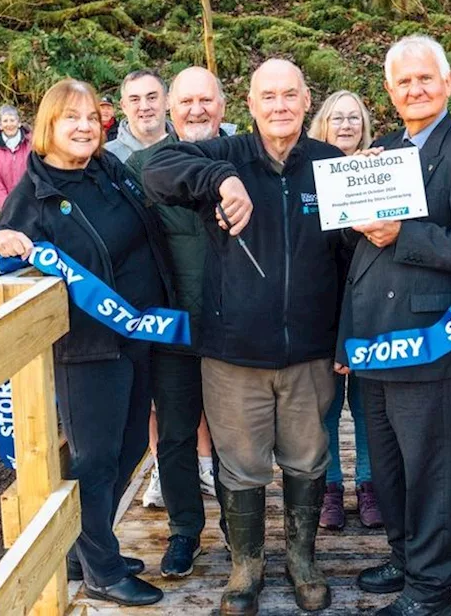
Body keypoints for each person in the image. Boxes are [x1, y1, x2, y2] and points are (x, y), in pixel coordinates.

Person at [142, 59, 347, 615]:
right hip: (233, 352)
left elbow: (356, 258)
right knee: (240, 463)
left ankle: (302, 559)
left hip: (310, 351)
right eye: (268, 96)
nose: (280, 106)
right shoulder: (223, 155)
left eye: (290, 95)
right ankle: (246, 565)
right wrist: (220, 179)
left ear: (307, 102)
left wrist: (348, 336)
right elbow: (157, 170)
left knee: (308, 458)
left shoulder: (331, 166)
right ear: (250, 106)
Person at [0, 79, 175, 608]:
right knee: (95, 459)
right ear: (47, 127)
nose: (85, 125)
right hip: (88, 348)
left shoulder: (108, 170)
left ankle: (82, 545)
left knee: (133, 447)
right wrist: (0, 239)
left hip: (137, 334)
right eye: (72, 118)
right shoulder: (37, 191)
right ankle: (101, 572)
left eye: (92, 116)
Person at [339, 35, 451, 616]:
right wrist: (346, 339)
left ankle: (431, 589)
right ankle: (406, 557)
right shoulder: (382, 149)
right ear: (389, 90)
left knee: (430, 469)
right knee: (386, 464)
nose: (414, 89)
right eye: (403, 81)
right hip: (374, 337)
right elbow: (358, 257)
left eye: (424, 79)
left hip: (430, 338)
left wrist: (404, 234)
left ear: (448, 83)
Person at [128, 66, 227, 514]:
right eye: (186, 102)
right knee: (174, 433)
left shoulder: (247, 159)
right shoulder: (140, 168)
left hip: (236, 327)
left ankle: (239, 533)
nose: (196, 110)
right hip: (172, 326)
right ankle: (184, 529)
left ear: (223, 105)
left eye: (205, 100)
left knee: (236, 437)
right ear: (172, 110)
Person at [307, 90, 382, 531]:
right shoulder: (309, 175)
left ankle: (369, 484)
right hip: (323, 301)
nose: (347, 125)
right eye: (338, 118)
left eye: (355, 118)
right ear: (323, 124)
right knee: (327, 405)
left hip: (372, 299)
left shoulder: (380, 169)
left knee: (369, 401)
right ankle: (331, 487)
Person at [104, 72, 169, 163]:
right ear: (124, 106)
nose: (144, 107)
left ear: (167, 101)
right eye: (135, 100)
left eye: (152, 98)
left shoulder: (189, 149)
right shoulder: (105, 158)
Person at [0, 106, 33, 211]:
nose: (9, 124)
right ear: (0, 125)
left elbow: (37, 173)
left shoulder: (31, 145)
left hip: (32, 202)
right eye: (5, 121)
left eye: (12, 120)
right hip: (7, 206)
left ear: (19, 122)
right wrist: (6, 206)